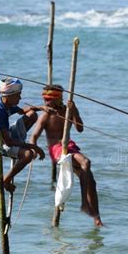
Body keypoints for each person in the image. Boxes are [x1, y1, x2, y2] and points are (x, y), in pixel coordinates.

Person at [29, 85, 103, 227]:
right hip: (56, 150)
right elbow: (34, 136)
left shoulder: (68, 111)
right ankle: (84, 203)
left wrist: (74, 110)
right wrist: (34, 149)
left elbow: (80, 128)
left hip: (69, 146)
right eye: (44, 100)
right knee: (86, 162)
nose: (46, 103)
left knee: (91, 181)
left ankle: (96, 217)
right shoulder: (46, 116)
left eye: (49, 100)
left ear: (58, 99)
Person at [0, 77, 54, 193]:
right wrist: (33, 146)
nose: (20, 98)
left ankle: (19, 146)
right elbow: (8, 142)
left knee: (32, 114)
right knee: (28, 154)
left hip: (6, 135)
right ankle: (6, 180)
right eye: (18, 95)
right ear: (9, 95)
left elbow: (23, 111)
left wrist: (41, 108)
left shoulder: (5, 103)